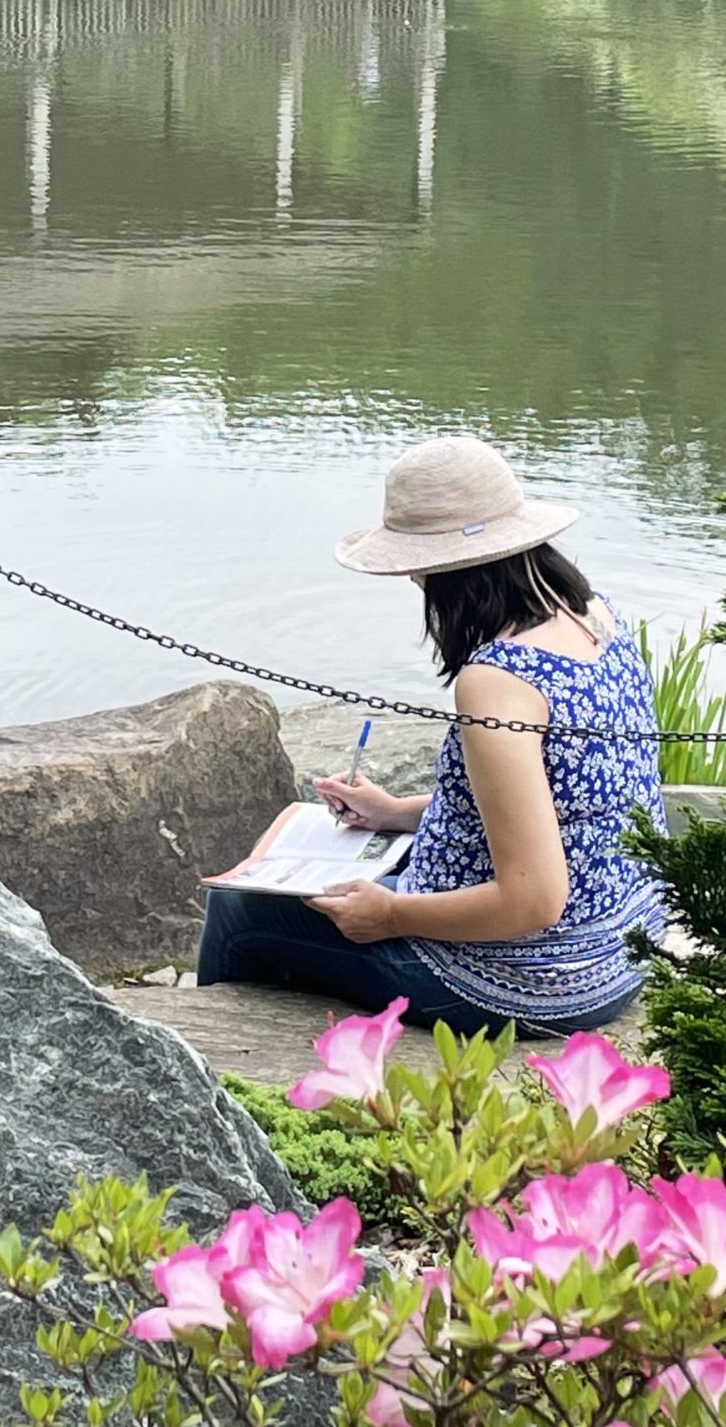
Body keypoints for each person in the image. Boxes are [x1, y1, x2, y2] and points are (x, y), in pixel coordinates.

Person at [196, 436, 667, 1038]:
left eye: (415, 565)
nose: (414, 580)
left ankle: (215, 1070)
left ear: (441, 567)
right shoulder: (593, 614)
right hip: (623, 943)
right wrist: (395, 813)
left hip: (533, 979)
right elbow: (565, 804)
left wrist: (390, 914)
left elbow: (533, 901)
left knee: (238, 909)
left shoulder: (497, 680)